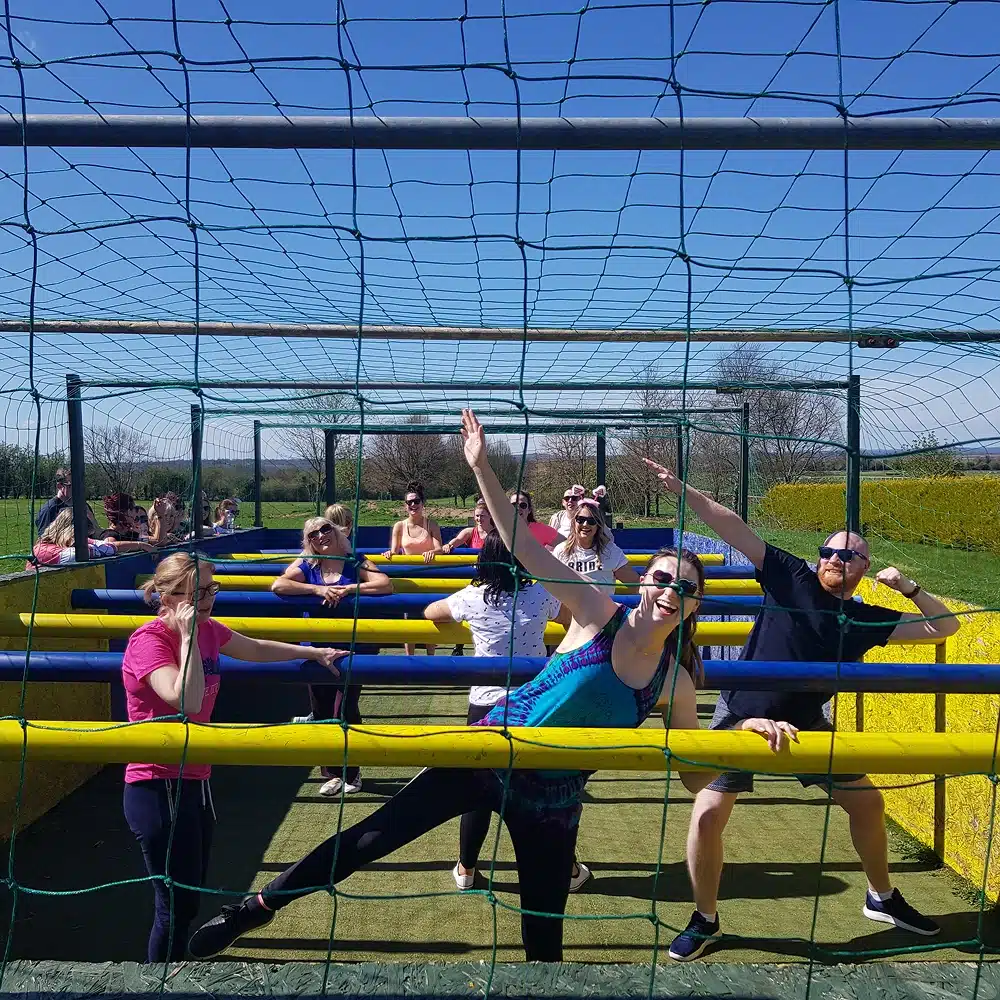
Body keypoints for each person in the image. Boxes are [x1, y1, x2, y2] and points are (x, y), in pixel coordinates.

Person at [188, 409, 792, 963]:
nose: (671, 593)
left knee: (543, 933)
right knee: (369, 838)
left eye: (686, 589)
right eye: (663, 579)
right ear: (643, 583)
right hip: (487, 749)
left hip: (553, 800)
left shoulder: (676, 682)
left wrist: (742, 732)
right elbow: (526, 548)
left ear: (695, 608)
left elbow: (691, 775)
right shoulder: (596, 612)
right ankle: (255, 908)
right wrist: (481, 467)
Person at [641, 456, 961, 962]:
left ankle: (882, 897)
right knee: (706, 814)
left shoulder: (861, 619)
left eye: (849, 554)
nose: (835, 558)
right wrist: (687, 492)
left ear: (863, 568)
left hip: (807, 723)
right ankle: (705, 918)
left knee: (867, 803)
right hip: (743, 714)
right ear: (817, 558)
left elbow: (945, 629)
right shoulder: (790, 575)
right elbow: (732, 526)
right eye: (828, 550)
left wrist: (910, 590)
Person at [122, 552, 345, 962]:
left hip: (196, 779)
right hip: (156, 783)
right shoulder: (150, 641)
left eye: (212, 588)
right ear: (168, 596)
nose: (208, 599)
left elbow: (254, 648)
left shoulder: (208, 629)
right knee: (173, 906)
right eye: (199, 591)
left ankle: (177, 972)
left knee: (189, 901)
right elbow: (186, 700)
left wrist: (313, 654)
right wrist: (187, 638)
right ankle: (159, 985)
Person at [424, 530, 593, 894]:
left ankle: (466, 868)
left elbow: (430, 612)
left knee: (477, 791)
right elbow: (572, 618)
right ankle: (568, 867)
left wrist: (468, 625)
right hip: (533, 703)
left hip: (484, 703)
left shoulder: (471, 597)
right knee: (545, 790)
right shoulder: (540, 593)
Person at [271, 516, 392, 796]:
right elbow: (278, 585)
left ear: (336, 532)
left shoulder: (355, 561)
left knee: (346, 710)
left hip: (351, 651)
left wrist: (349, 588)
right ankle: (333, 774)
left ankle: (353, 771)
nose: (321, 536)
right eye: (313, 534)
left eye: (326, 529)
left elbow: (385, 584)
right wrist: (318, 589)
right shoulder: (307, 564)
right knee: (323, 711)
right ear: (309, 542)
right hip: (317, 652)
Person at [382, 482, 444, 654]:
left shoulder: (432, 524)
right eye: (409, 502)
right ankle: (410, 658)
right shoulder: (399, 526)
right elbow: (394, 551)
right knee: (409, 617)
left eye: (416, 501)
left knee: (432, 616)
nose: (413, 505)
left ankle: (431, 657)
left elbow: (440, 548)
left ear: (423, 503)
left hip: (429, 576)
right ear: (405, 506)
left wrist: (432, 552)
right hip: (410, 577)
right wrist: (389, 554)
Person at [552, 497, 639, 596]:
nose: (585, 524)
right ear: (573, 522)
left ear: (598, 525)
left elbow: (636, 585)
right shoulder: (561, 551)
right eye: (580, 520)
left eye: (591, 521)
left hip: (602, 610)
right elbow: (549, 586)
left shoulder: (611, 551)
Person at [28, 508, 154, 568]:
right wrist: (99, 548)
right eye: (81, 534)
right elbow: (79, 554)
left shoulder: (75, 543)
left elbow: (110, 547)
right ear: (69, 531)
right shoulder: (43, 550)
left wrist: (141, 545)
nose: (85, 538)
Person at [35, 467, 99, 537]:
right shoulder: (49, 509)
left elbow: (95, 532)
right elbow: (44, 541)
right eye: (73, 485)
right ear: (59, 486)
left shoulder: (83, 506)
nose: (78, 489)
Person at [425, 497, 492, 562]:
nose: (479, 519)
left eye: (482, 516)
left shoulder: (497, 533)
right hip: (476, 567)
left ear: (490, 515)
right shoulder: (469, 532)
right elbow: (458, 540)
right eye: (477, 516)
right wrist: (448, 545)